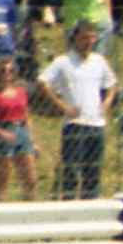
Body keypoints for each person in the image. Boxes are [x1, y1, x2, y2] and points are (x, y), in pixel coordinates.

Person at [39, 22, 116, 197]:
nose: (88, 41)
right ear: (75, 39)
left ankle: (90, 203)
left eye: (91, 37)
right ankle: (69, 204)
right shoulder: (63, 61)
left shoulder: (99, 61)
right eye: (84, 37)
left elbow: (111, 84)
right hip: (74, 123)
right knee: (72, 170)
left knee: (93, 170)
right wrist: (62, 105)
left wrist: (107, 103)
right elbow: (43, 82)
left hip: (96, 124)